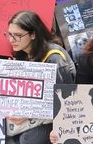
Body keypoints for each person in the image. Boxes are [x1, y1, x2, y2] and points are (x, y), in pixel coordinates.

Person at [5, 11, 76, 143]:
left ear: (33, 34)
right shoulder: (23, 53)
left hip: (55, 118)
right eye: (9, 34)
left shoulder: (54, 58)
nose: (11, 40)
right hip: (31, 113)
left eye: (18, 35)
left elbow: (66, 99)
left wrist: (28, 114)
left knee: (27, 140)